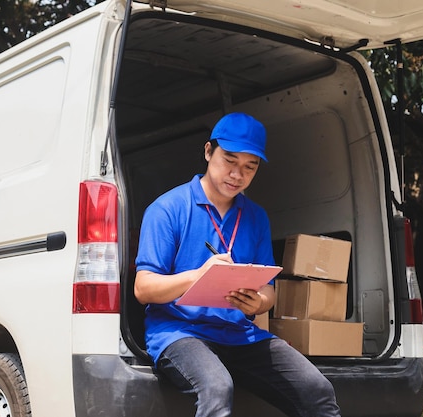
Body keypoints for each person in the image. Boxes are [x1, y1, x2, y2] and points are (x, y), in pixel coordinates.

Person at [134, 112, 341, 417]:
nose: (237, 174)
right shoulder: (167, 209)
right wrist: (197, 276)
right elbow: (143, 288)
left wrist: (256, 303)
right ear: (208, 151)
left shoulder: (256, 217)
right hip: (179, 332)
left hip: (239, 334)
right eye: (229, 160)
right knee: (217, 387)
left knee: (318, 390)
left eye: (249, 166)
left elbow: (269, 293)